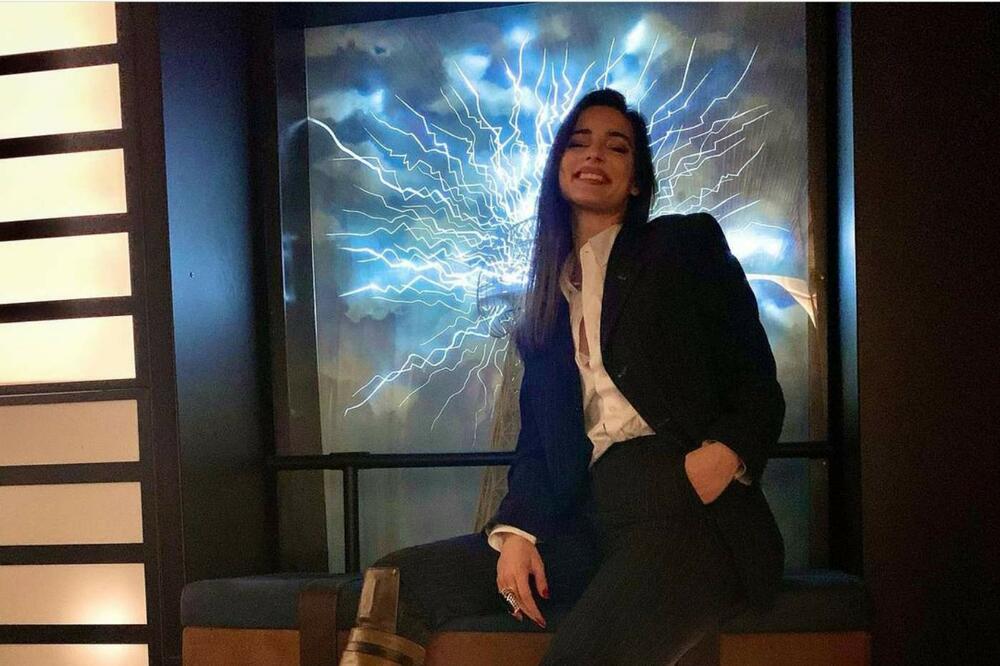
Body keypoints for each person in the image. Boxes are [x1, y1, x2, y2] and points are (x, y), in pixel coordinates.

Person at [342, 88, 785, 665]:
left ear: (636, 181)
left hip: (685, 514)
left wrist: (717, 462)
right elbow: (539, 446)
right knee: (397, 583)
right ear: (558, 167)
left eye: (616, 147)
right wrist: (517, 534)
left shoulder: (681, 247)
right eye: (579, 143)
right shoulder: (546, 309)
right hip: (588, 522)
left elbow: (757, 381)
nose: (595, 154)